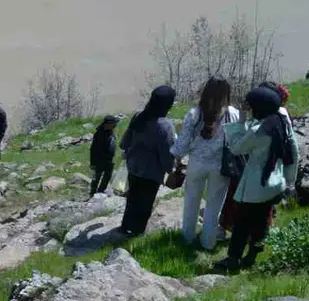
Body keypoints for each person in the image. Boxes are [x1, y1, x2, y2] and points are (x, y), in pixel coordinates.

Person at [215, 86, 300, 272]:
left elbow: (237, 148)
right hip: (275, 182)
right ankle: (252, 256)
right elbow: (294, 151)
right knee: (261, 222)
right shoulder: (280, 122)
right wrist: (290, 181)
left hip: (256, 184)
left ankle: (233, 259)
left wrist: (240, 122)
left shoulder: (259, 130)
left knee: (241, 224)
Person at [172, 78, 241, 249]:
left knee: (191, 202)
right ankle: (208, 242)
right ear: (226, 93)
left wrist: (178, 159)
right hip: (220, 165)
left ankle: (187, 238)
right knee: (214, 205)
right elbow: (236, 141)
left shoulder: (195, 113)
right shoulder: (232, 113)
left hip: (196, 163)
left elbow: (183, 143)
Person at [119, 86, 177, 235]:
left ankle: (125, 226)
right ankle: (137, 232)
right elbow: (167, 152)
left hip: (133, 166)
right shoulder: (165, 126)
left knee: (132, 198)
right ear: (168, 105)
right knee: (145, 202)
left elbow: (125, 141)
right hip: (151, 171)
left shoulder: (139, 116)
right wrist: (170, 169)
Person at [89, 115, 121, 197]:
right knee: (97, 177)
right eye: (113, 124)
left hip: (109, 159)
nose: (115, 125)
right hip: (100, 160)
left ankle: (101, 191)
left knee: (107, 176)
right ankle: (93, 193)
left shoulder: (110, 131)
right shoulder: (99, 134)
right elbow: (93, 149)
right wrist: (92, 163)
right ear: (107, 124)